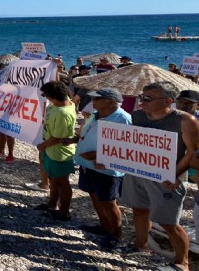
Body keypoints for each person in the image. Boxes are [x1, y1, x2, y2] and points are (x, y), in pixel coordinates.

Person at [120, 82, 199, 271]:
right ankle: (142, 246)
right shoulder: (137, 116)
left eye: (147, 98)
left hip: (167, 178)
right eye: (141, 97)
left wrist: (175, 175)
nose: (142, 102)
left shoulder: (185, 121)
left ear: (168, 101)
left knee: (169, 222)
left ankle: (183, 263)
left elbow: (193, 153)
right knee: (139, 210)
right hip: (137, 172)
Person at [66, 88, 131, 249]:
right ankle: (103, 225)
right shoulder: (96, 114)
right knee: (94, 195)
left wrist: (97, 155)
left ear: (111, 102)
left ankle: (117, 235)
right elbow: (87, 133)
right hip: (88, 164)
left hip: (107, 168)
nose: (93, 101)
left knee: (109, 202)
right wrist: (74, 139)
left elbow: (126, 146)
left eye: (97, 99)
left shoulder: (122, 118)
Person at [35, 81, 77, 221]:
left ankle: (64, 211)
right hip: (50, 150)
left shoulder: (63, 113)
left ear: (52, 97)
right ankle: (52, 204)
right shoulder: (62, 102)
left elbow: (57, 137)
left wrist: (42, 146)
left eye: (46, 95)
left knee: (62, 182)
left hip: (59, 153)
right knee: (54, 180)